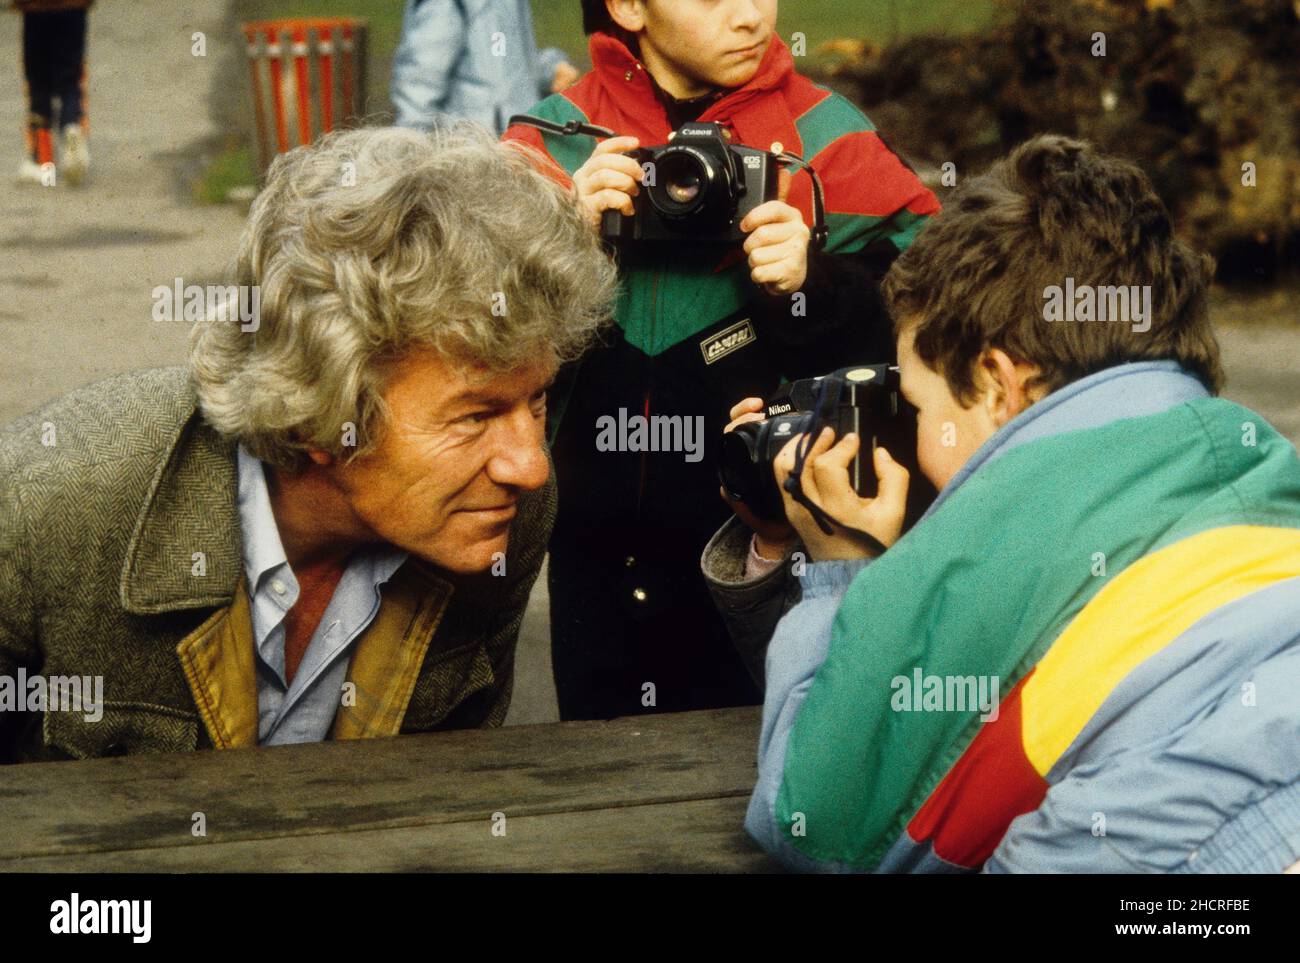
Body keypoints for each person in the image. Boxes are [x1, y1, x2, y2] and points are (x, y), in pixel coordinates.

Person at [705, 134, 1300, 872]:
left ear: (995, 382)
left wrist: (844, 572)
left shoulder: (981, 550)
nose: (915, 439)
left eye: (918, 406)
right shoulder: (1263, 462)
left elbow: (813, 825)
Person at [0, 124, 617, 763]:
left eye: (537, 400)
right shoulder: (46, 505)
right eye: (474, 416)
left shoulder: (499, 516)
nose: (529, 466)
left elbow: (440, 802)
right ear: (316, 412)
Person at [502, 0, 939, 720]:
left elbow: (937, 332)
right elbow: (456, 336)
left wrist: (812, 283)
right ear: (628, 7)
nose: (750, 16)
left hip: (768, 552)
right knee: (595, 780)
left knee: (760, 766)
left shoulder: (829, 141)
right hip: (588, 563)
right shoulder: (551, 139)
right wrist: (556, 238)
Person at [391, 0, 579, 136]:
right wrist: (414, 157)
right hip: (471, 150)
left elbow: (499, 56)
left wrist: (548, 71)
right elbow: (420, 78)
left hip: (513, 141)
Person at [15, 0, 93, 186]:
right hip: (74, 7)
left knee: (38, 82)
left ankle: (44, 167)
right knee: (71, 78)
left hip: (36, 9)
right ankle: (71, 126)